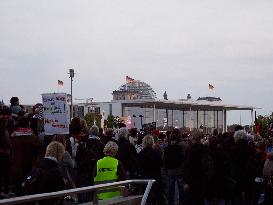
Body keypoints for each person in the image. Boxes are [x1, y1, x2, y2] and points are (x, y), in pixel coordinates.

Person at [138, 135, 166, 205]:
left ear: (143, 142)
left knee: (147, 199)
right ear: (152, 142)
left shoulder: (140, 154)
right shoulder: (156, 153)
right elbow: (161, 164)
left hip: (145, 179)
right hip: (156, 178)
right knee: (159, 198)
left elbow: (138, 167)